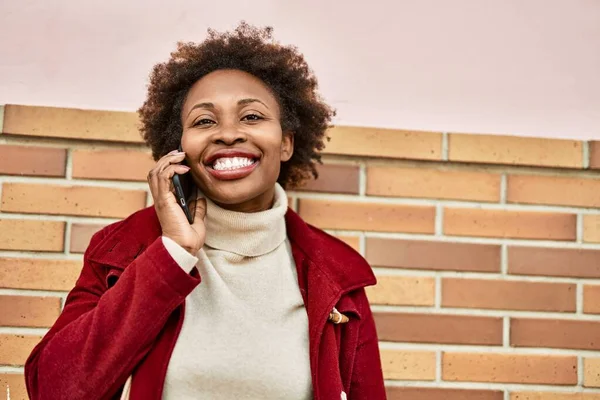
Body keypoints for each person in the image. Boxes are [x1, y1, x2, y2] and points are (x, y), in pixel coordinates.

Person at [24, 22, 386, 400]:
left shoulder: (338, 277)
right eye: (204, 121)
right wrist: (172, 255)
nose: (227, 134)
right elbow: (53, 389)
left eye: (251, 117)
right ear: (178, 147)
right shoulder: (123, 250)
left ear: (286, 144)